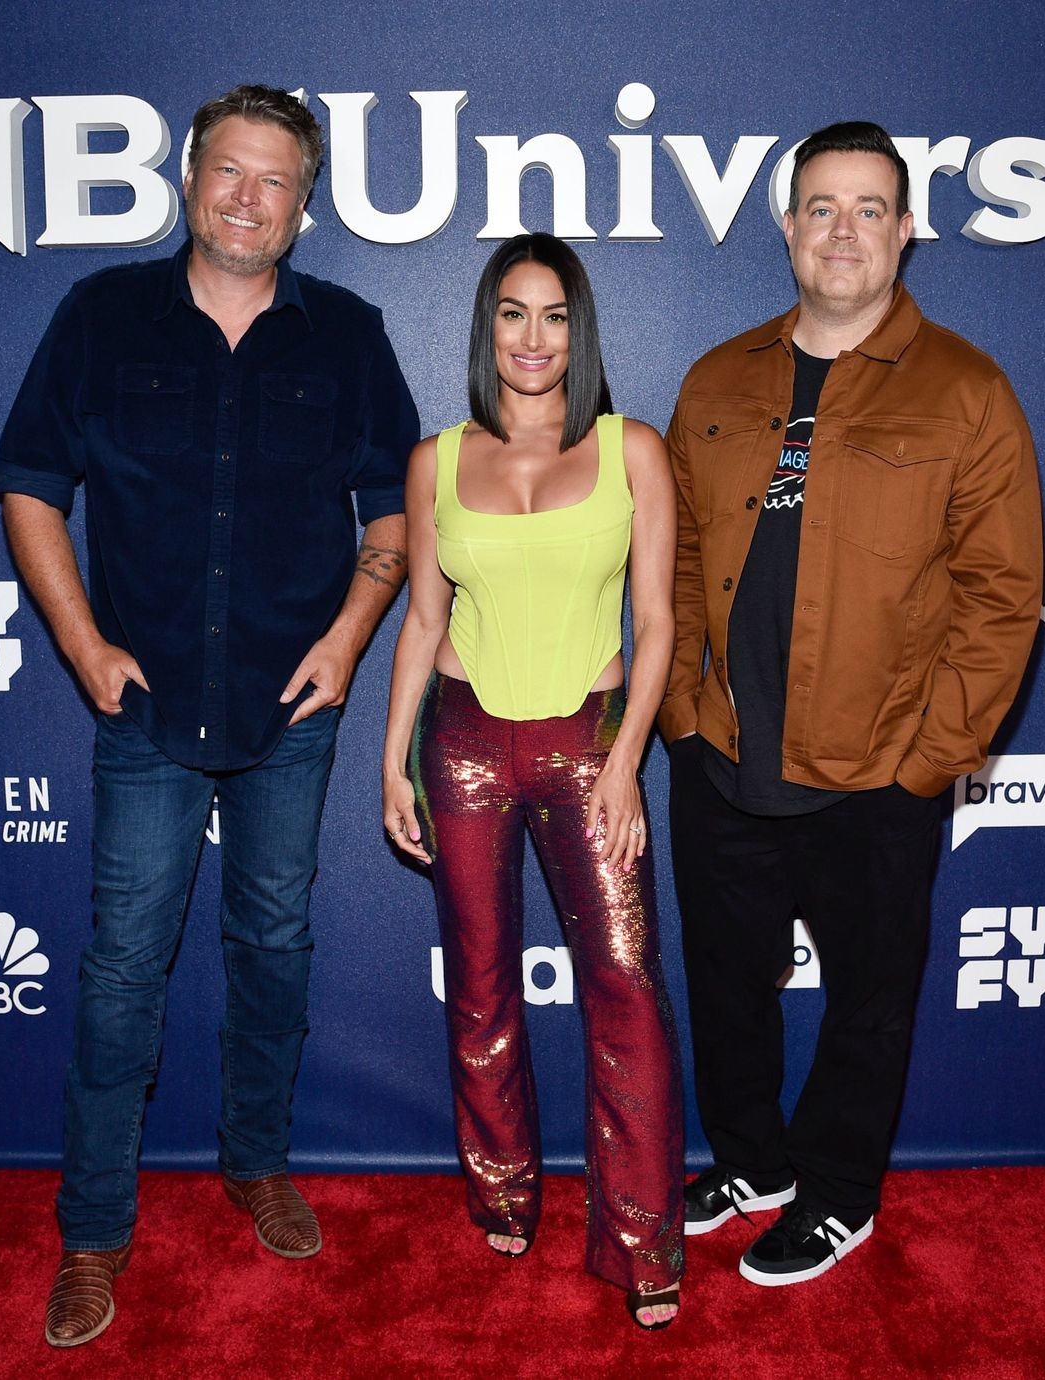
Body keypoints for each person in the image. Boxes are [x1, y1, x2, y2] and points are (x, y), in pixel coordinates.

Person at [0, 84, 419, 1347]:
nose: (248, 197)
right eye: (230, 170)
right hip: (147, 705)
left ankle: (258, 1162)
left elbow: (395, 512)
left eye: (276, 179)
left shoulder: (348, 333)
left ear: (304, 205)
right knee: (124, 968)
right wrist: (84, 645)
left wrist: (348, 640)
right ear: (188, 180)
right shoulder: (100, 313)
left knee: (274, 945)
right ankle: (93, 1231)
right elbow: (29, 484)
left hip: (291, 708)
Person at [660, 121, 1043, 1287]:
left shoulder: (967, 391)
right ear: (787, 228)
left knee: (868, 1003)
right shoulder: (717, 378)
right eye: (821, 207)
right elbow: (676, 561)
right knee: (725, 987)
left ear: (906, 230)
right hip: (724, 754)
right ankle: (752, 1164)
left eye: (869, 208)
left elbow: (1003, 595)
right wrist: (680, 711)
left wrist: (928, 762)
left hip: (877, 774)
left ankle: (836, 1194)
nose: (843, 231)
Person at [382, 233, 685, 1329]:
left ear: (579, 330)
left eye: (555, 315)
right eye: (513, 313)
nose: (533, 337)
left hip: (588, 742)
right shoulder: (434, 461)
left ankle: (642, 1239)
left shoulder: (631, 449)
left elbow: (657, 623)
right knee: (479, 984)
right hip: (461, 741)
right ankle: (504, 1191)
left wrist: (627, 760)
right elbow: (423, 621)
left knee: (626, 986)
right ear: (487, 327)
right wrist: (392, 760)